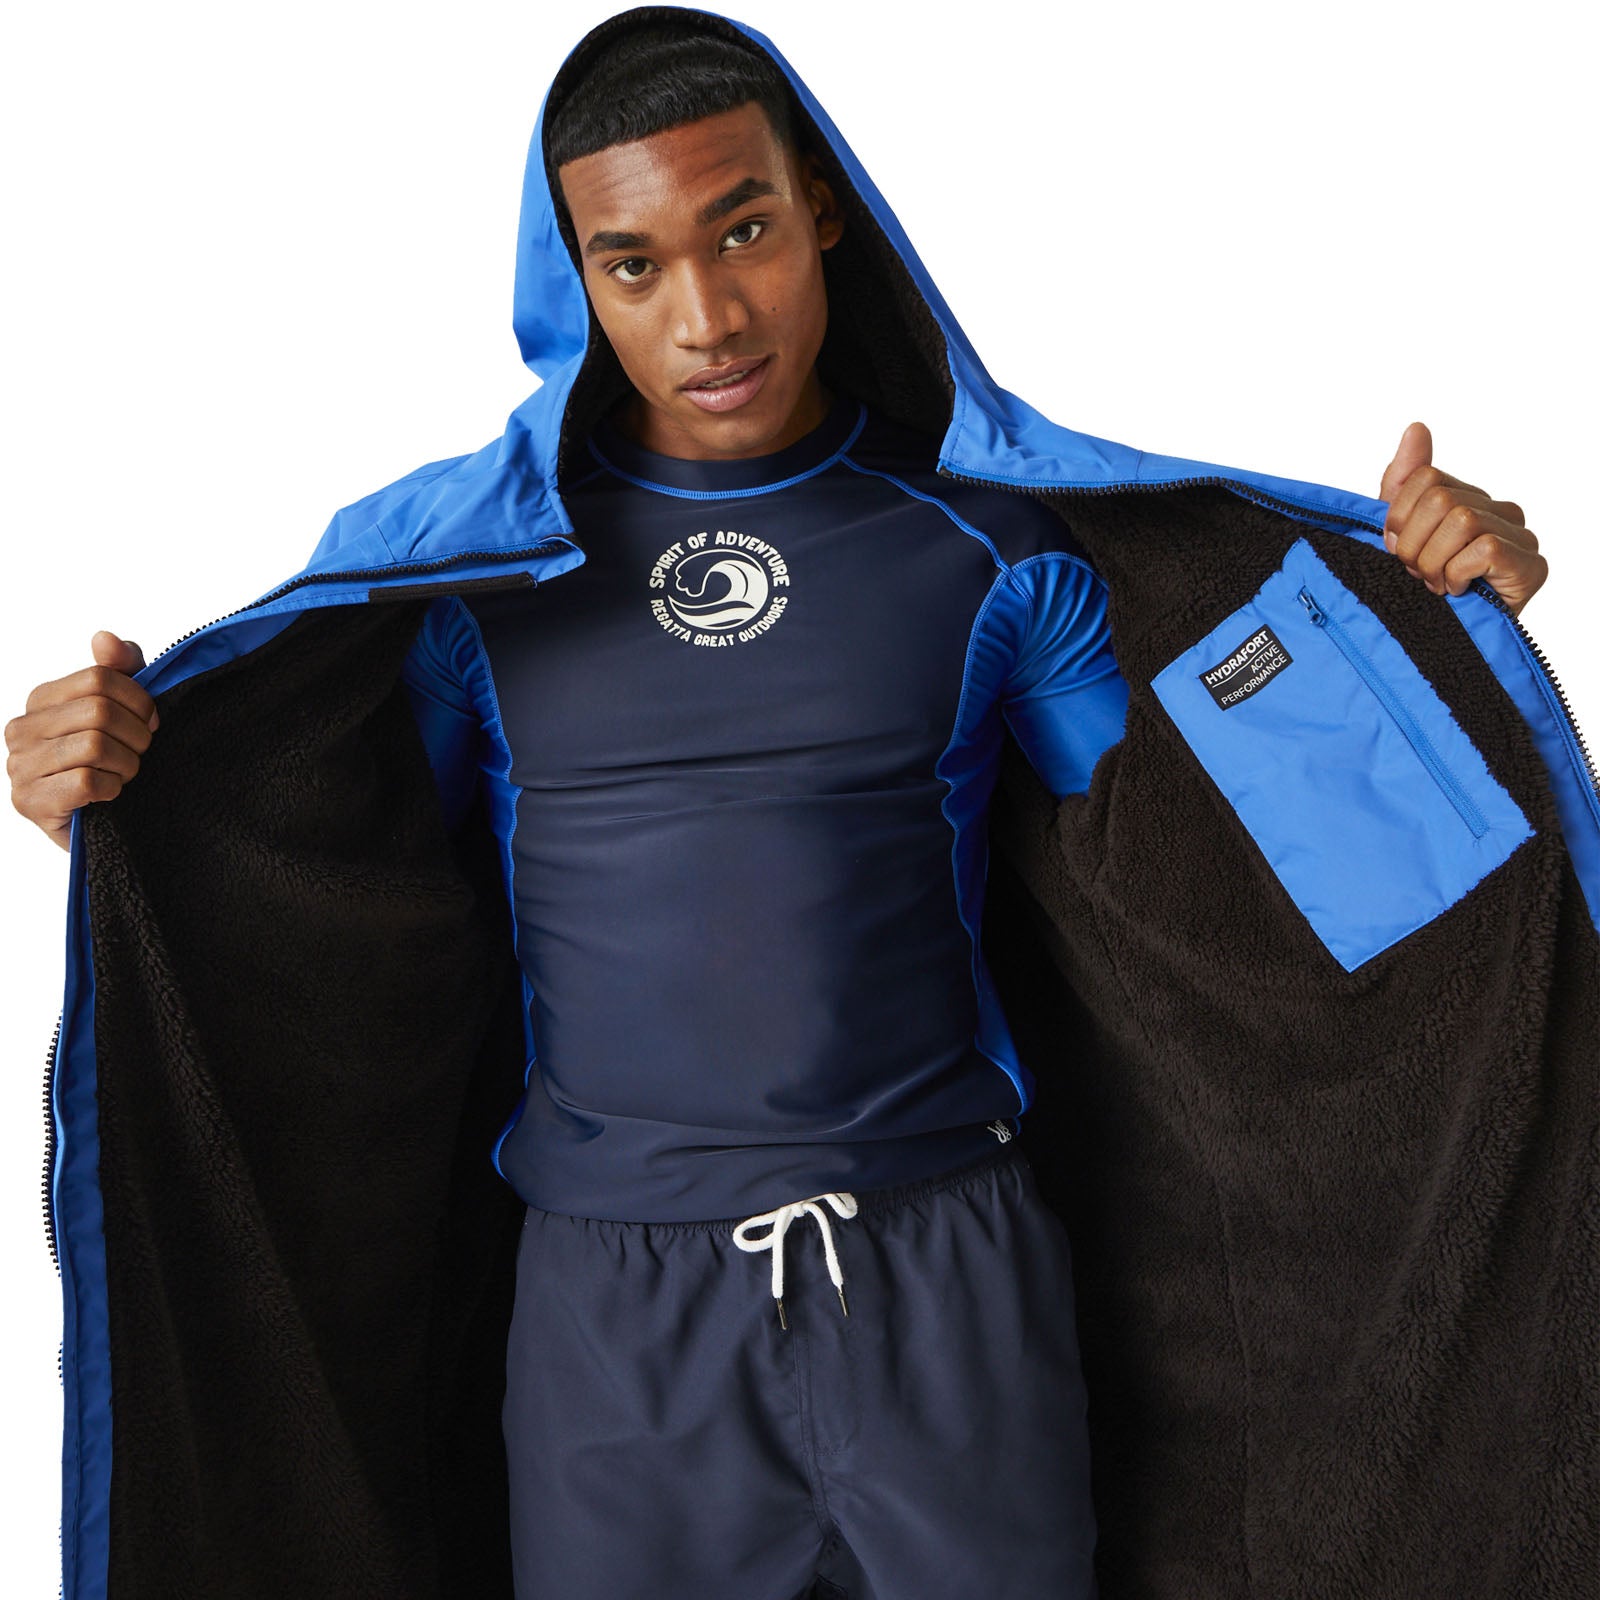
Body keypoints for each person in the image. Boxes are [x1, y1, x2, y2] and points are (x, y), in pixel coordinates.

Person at [11, 11, 1593, 1600]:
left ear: (822, 208)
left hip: (948, 1281)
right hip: (615, 1325)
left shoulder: (990, 551)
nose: (707, 316)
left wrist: (1433, 639)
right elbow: (332, 883)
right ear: (576, 285)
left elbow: (1216, 866)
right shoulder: (465, 587)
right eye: (635, 266)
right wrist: (131, 809)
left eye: (745, 230)